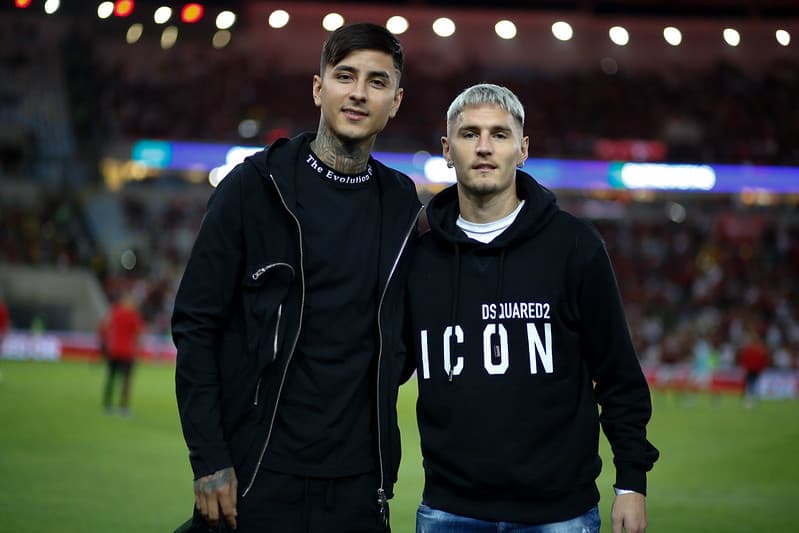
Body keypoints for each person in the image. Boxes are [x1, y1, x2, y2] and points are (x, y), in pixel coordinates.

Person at [172, 23, 421, 533]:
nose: (358, 92)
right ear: (318, 88)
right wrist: (209, 458)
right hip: (257, 474)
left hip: (360, 486)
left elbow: (405, 338)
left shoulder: (402, 205)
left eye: (377, 81)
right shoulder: (253, 188)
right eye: (345, 76)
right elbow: (196, 325)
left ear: (395, 101)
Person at [404, 84, 659, 533]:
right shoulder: (419, 260)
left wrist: (631, 484)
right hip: (449, 511)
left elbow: (619, 375)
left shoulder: (574, 246)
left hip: (559, 514)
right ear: (446, 150)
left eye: (499, 134)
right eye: (470, 134)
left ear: (522, 149)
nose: (484, 147)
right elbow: (382, 368)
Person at [102, 293, 144, 416]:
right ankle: (124, 407)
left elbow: (105, 328)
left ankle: (107, 404)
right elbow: (138, 334)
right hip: (127, 352)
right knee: (126, 380)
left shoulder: (115, 312)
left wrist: (107, 343)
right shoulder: (133, 315)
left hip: (114, 350)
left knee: (111, 378)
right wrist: (138, 349)